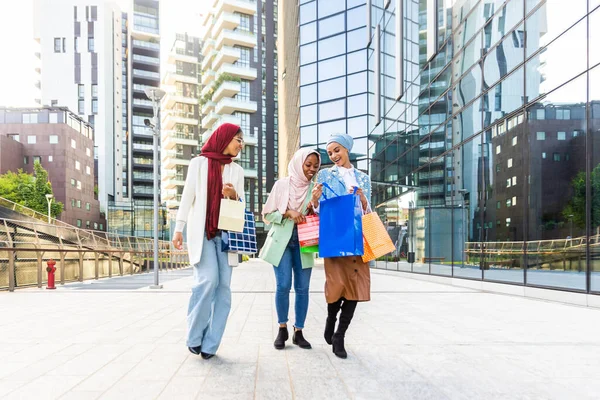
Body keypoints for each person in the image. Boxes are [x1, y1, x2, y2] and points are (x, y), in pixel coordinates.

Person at [172, 123, 245, 360]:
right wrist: (179, 228)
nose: (240, 144)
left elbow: (241, 205)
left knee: (223, 289)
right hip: (203, 232)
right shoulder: (199, 164)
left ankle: (210, 345)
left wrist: (233, 195)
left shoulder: (238, 171)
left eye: (241, 141)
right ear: (224, 138)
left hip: (227, 235)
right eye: (237, 139)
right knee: (207, 281)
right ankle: (194, 336)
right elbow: (188, 196)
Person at [311, 133, 371, 359]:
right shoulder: (325, 174)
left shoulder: (363, 178)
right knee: (336, 286)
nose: (334, 155)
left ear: (347, 149)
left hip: (357, 240)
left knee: (355, 290)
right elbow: (319, 211)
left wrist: (364, 201)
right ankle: (330, 318)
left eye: (337, 150)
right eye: (330, 152)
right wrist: (316, 200)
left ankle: (340, 336)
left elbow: (368, 212)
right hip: (335, 238)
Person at [260, 148, 321, 350]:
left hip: (306, 240)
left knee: (303, 288)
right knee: (283, 285)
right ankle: (282, 328)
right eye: (308, 164)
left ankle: (299, 332)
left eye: (315, 166)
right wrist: (287, 213)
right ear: (298, 163)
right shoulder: (282, 185)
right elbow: (267, 214)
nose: (311, 169)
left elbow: (320, 216)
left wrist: (315, 202)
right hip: (282, 242)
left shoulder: (315, 188)